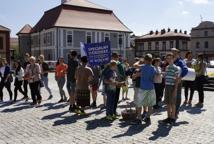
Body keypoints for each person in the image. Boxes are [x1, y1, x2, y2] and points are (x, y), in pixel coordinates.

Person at [134, 54, 157, 124]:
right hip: (151, 87)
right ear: (151, 60)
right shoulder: (154, 68)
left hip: (142, 88)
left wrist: (138, 61)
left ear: (145, 60)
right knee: (150, 104)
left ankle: (139, 118)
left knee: (139, 103)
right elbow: (154, 78)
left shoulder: (143, 67)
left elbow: (134, 65)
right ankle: (148, 117)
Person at [162, 53, 179, 124]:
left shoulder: (175, 68)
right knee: (168, 103)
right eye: (167, 58)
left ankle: (173, 117)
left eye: (170, 58)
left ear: (173, 59)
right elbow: (166, 76)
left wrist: (175, 89)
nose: (169, 60)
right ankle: (168, 117)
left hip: (172, 87)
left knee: (173, 103)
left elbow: (177, 79)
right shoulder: (167, 67)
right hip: (167, 86)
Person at [171, 48, 188, 118]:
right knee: (172, 96)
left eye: (175, 52)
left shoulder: (180, 61)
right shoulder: (172, 61)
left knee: (177, 96)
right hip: (171, 82)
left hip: (177, 82)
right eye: (172, 52)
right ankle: (173, 111)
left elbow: (185, 69)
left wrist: (180, 77)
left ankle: (176, 112)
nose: (173, 54)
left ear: (178, 53)